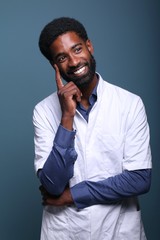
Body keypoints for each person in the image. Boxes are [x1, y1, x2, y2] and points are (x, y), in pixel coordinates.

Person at [33, 17, 152, 240]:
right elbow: (52, 184)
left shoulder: (130, 103)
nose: (74, 61)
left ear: (90, 46)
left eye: (77, 49)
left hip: (119, 229)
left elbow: (140, 178)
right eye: (62, 57)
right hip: (65, 231)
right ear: (55, 66)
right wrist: (67, 117)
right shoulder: (43, 111)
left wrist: (72, 196)